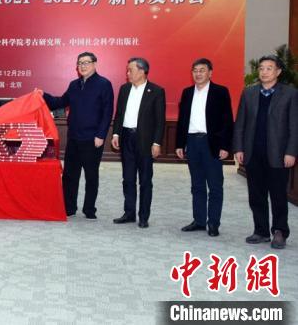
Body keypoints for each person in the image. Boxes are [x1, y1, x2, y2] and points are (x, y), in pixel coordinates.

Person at [233, 55, 298, 249]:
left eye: (269, 68)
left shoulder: (290, 94)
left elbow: (294, 126)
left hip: (279, 154)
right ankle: (260, 231)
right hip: (253, 152)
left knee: (278, 195)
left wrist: (291, 151)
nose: (264, 72)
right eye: (261, 68)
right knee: (256, 195)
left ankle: (280, 231)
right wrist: (239, 147)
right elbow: (240, 123)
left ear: (278, 72)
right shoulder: (249, 93)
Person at [43, 52, 113, 219]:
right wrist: (43, 95)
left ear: (95, 64)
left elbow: (107, 112)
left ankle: (89, 209)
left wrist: (101, 135)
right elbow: (59, 102)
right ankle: (69, 207)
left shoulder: (104, 84)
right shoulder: (74, 85)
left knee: (91, 175)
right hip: (74, 137)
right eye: (80, 63)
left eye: (86, 62)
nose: (83, 66)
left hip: (92, 138)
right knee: (69, 175)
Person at [175, 58, 233, 237]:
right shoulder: (187, 93)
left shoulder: (220, 92)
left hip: (211, 143)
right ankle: (199, 221)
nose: (198, 74)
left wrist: (225, 146)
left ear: (210, 73)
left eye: (202, 70)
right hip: (192, 142)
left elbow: (227, 120)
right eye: (195, 70)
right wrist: (179, 143)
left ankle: (213, 223)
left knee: (215, 186)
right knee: (197, 184)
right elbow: (182, 120)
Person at [111, 57, 165, 228]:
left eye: (130, 70)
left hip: (145, 141)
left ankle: (143, 216)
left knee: (145, 180)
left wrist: (157, 142)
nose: (127, 73)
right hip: (126, 137)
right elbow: (119, 114)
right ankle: (129, 213)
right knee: (128, 178)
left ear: (142, 71)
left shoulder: (156, 91)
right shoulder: (124, 89)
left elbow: (160, 120)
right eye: (127, 70)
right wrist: (116, 133)